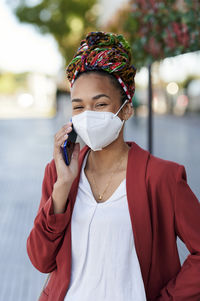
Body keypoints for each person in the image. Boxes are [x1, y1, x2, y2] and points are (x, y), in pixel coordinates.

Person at [26, 32, 200, 301]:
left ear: (126, 110)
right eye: (79, 107)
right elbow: (41, 260)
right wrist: (62, 186)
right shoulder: (57, 173)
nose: (88, 115)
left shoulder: (163, 177)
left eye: (101, 104)